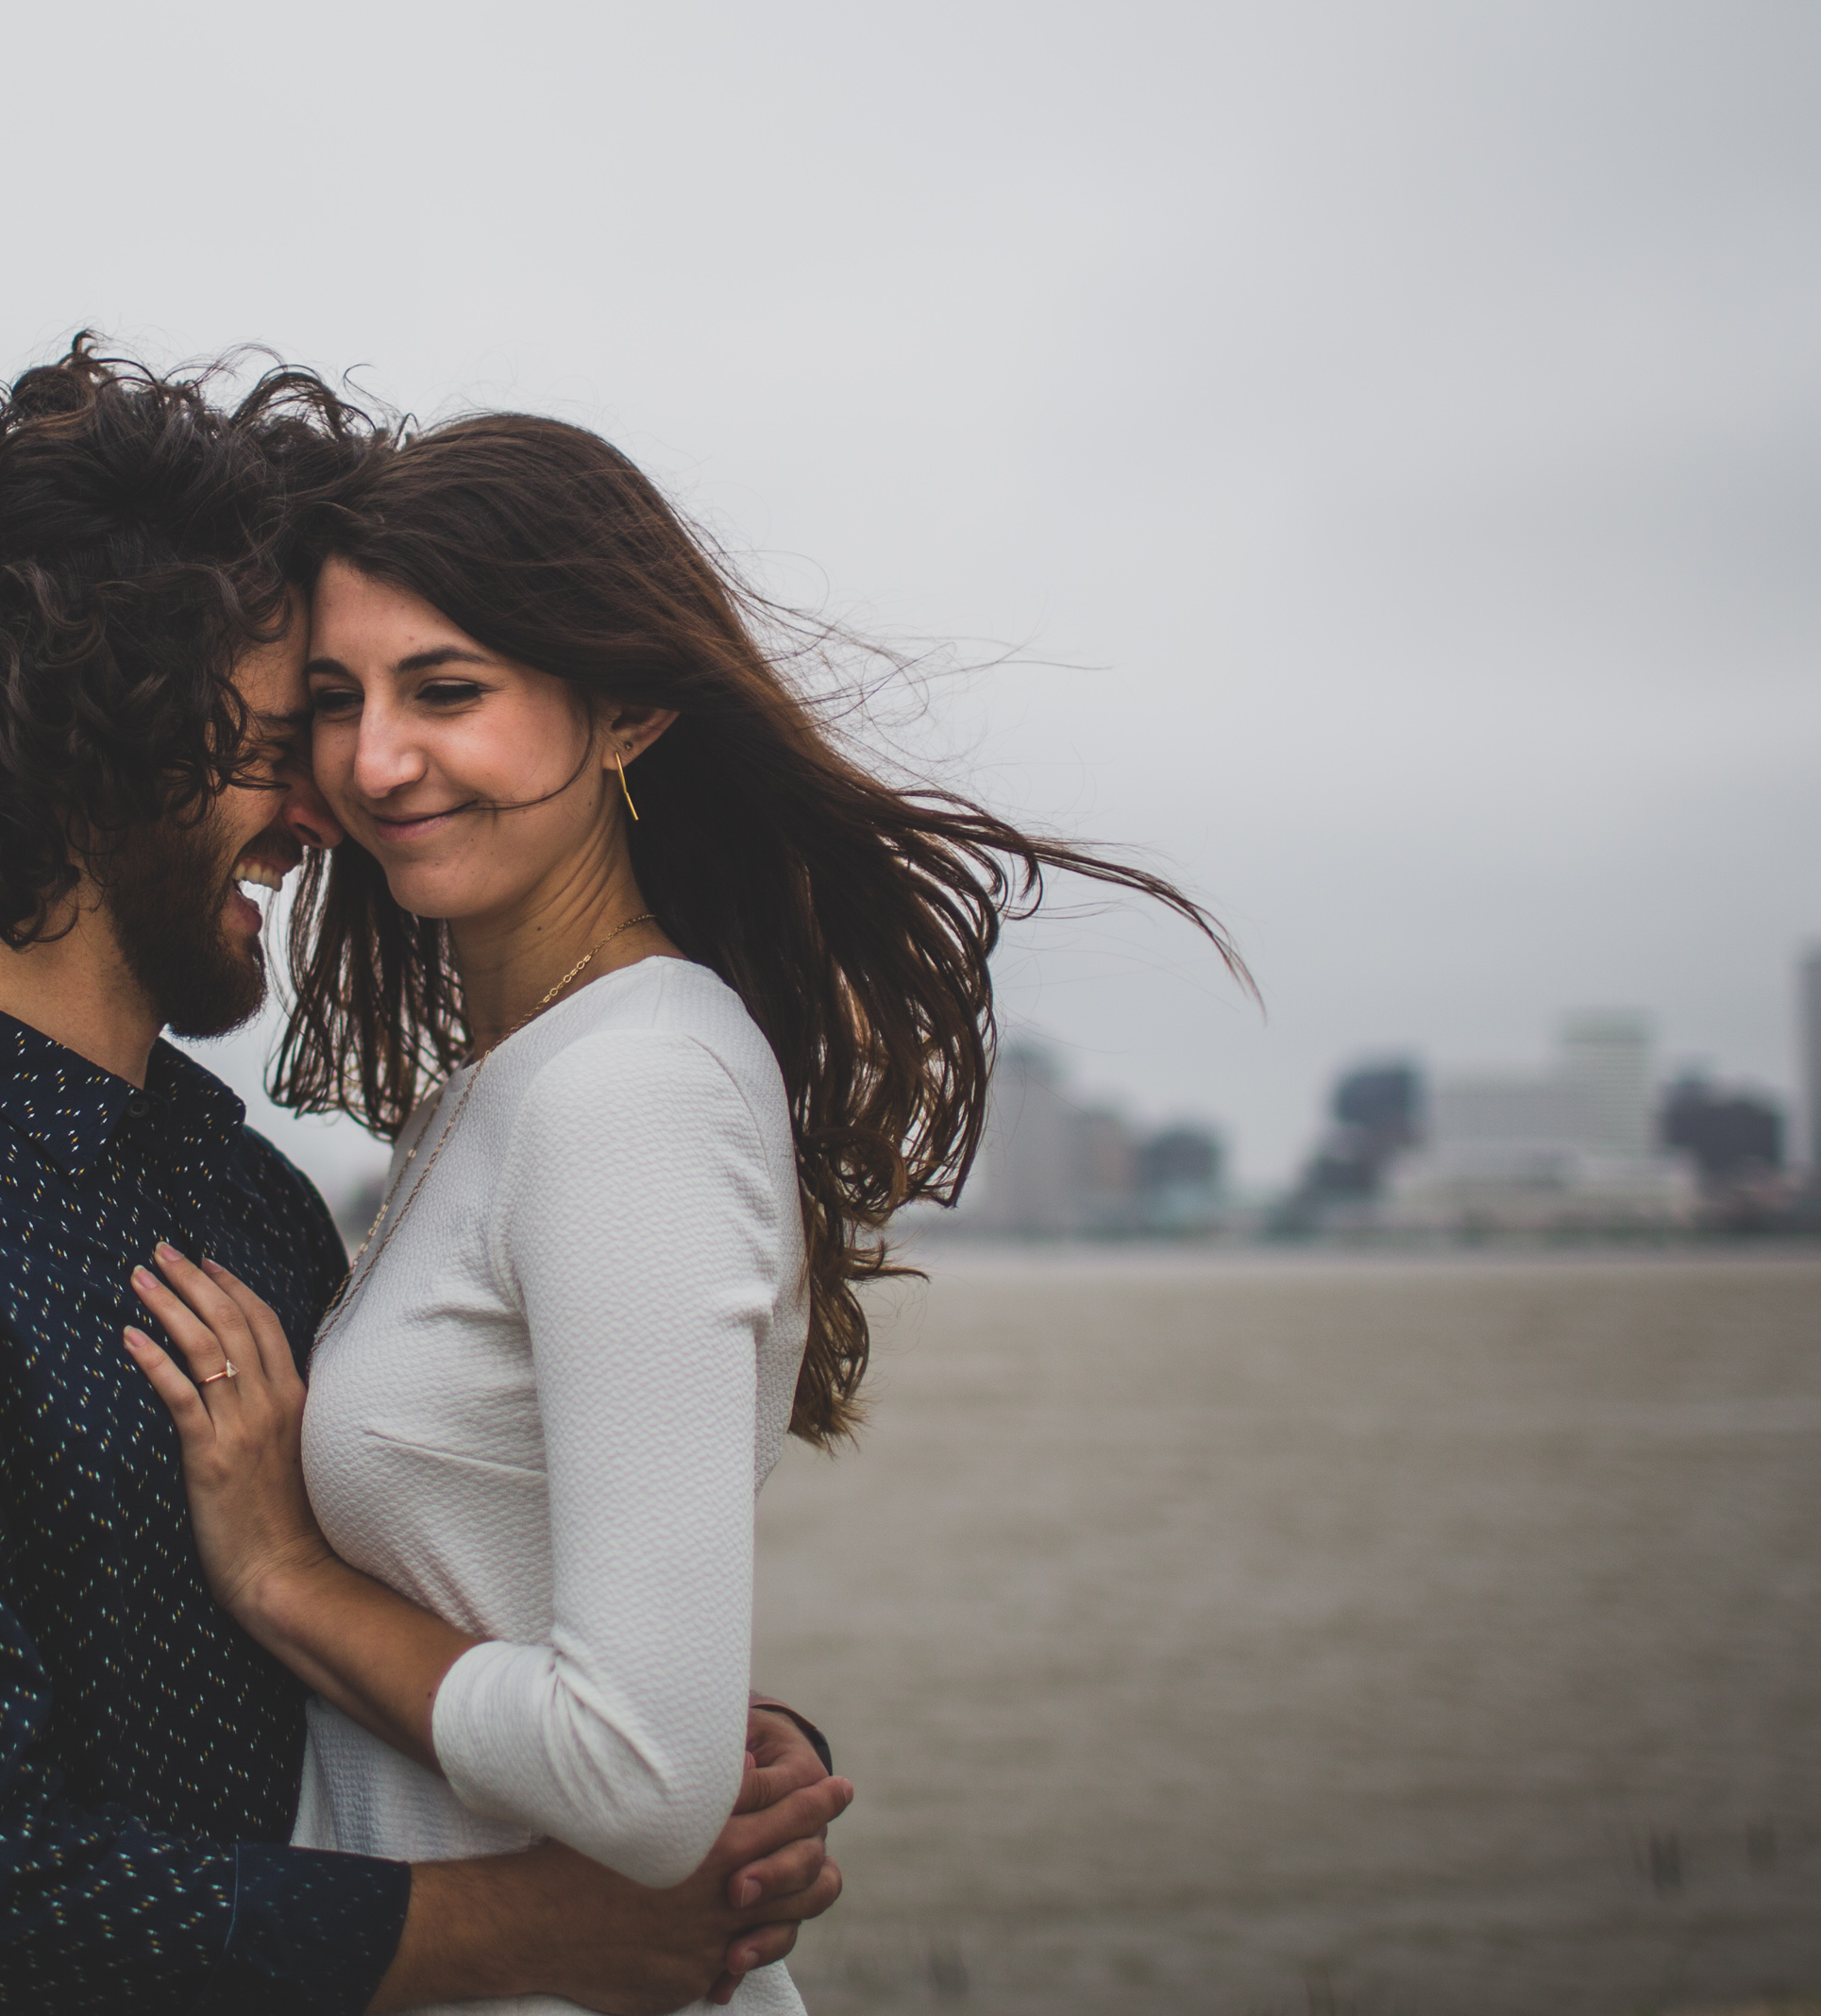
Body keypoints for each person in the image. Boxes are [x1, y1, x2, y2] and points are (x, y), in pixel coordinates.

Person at [0, 345, 851, 2016]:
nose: (330, 801)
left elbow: (395, 1613)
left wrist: (702, 1746)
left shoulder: (245, 1194)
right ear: (96, 735)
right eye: (291, 734)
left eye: (405, 703)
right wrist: (554, 1923)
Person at [117, 412, 1239, 2014]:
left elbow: (639, 1778)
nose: (373, 762)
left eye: (449, 691)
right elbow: (609, 1676)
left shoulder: (627, 1089)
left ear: (628, 707)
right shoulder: (505, 1087)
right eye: (335, 704)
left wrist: (285, 1575)